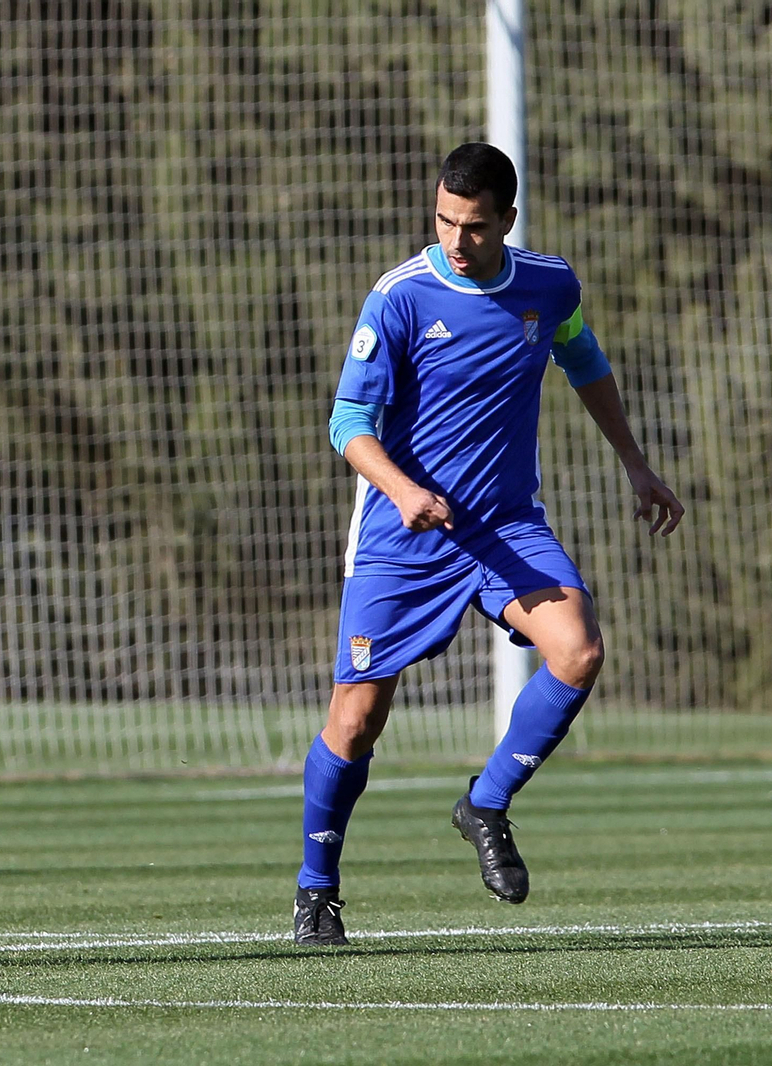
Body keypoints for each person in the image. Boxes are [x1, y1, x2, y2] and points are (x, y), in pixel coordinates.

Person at [293, 144, 685, 946]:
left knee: (578, 651)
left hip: (504, 525)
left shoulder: (549, 284)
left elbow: (584, 359)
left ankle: (487, 802)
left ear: (507, 218)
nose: (454, 239)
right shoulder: (400, 298)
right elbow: (347, 424)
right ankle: (316, 889)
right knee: (358, 719)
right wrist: (404, 491)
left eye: (472, 226)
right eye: (443, 220)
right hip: (402, 534)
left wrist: (636, 463)